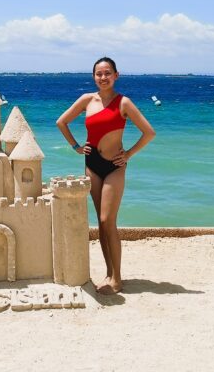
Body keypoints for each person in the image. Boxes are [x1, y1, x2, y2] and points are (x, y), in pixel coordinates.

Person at [56, 56, 156, 294]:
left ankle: (117, 279)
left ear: (116, 75)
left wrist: (129, 154)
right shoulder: (86, 100)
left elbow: (149, 132)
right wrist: (76, 147)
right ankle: (109, 273)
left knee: (106, 220)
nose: (103, 77)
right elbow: (62, 122)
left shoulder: (124, 103)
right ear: (94, 77)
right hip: (91, 164)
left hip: (114, 166)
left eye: (107, 73)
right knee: (100, 224)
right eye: (99, 74)